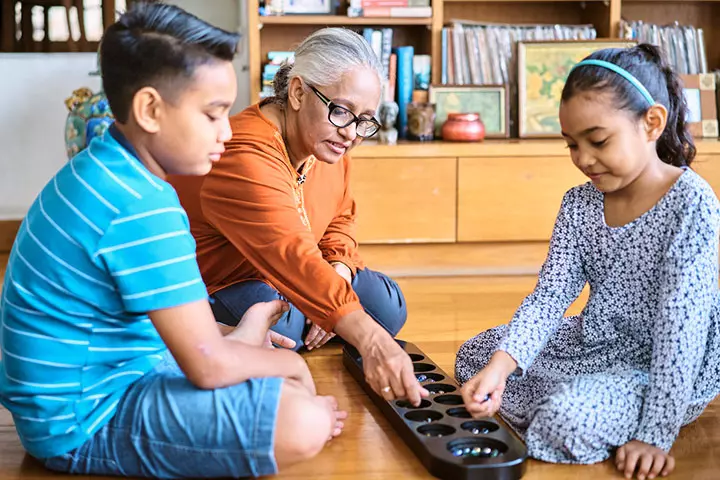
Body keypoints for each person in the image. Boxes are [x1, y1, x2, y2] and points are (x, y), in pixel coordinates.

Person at [0, 3, 346, 478]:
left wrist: (241, 340)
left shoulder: (105, 167)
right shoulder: (142, 205)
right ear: (149, 110)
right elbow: (206, 367)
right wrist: (289, 372)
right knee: (300, 414)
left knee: (271, 366)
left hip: (93, 384)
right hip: (84, 420)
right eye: (212, 114)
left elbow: (168, 330)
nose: (227, 132)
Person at [455, 44, 720, 480]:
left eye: (597, 141)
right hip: (599, 341)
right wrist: (501, 368)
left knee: (565, 422)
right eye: (571, 145)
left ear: (651, 122)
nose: (583, 159)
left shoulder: (692, 205)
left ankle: (581, 407)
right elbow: (550, 297)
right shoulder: (579, 204)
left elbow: (681, 331)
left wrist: (656, 433)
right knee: (478, 357)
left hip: (665, 364)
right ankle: (578, 398)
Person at [169, 27, 428, 405]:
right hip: (223, 283)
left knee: (387, 304)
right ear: (297, 92)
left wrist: (337, 274)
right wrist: (360, 332)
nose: (352, 134)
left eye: (365, 120)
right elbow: (290, 252)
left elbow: (340, 218)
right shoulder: (246, 153)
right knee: (291, 324)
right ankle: (287, 315)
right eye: (341, 111)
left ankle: (319, 304)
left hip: (291, 273)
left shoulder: (327, 141)